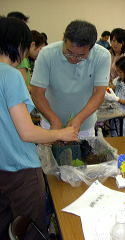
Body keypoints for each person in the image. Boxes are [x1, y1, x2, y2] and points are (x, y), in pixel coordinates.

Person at [0, 17, 77, 240]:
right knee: (31, 229)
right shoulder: (11, 75)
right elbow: (27, 133)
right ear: (19, 45)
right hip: (21, 171)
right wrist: (60, 133)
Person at [31, 20, 111, 139]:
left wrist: (78, 119)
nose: (73, 59)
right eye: (68, 52)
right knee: (49, 156)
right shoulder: (47, 54)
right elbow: (37, 93)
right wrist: (53, 119)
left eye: (81, 56)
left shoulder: (102, 56)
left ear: (91, 47)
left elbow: (99, 93)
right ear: (63, 38)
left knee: (82, 156)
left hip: (84, 126)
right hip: (50, 123)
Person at [105, 56, 125, 136]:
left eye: (120, 72)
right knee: (114, 133)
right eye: (117, 72)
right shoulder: (119, 80)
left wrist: (116, 98)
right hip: (116, 112)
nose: (118, 74)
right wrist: (107, 90)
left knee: (123, 135)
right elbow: (111, 88)